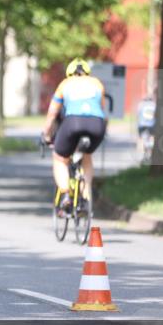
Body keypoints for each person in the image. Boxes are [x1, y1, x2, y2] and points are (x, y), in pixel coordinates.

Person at [41, 58, 107, 213]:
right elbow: (103, 110)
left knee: (59, 158)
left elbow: (52, 114)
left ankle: (65, 195)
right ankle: (85, 196)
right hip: (97, 124)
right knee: (87, 156)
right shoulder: (97, 83)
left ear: (69, 73)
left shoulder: (65, 84)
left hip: (73, 122)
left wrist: (46, 135)